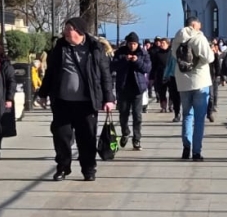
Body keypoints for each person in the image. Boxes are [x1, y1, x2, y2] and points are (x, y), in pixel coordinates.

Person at [37, 17, 115, 182]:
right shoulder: (60, 47)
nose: (65, 32)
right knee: (61, 137)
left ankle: (88, 169)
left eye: (69, 29)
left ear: (79, 31)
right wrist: (43, 93)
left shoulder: (95, 48)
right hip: (62, 102)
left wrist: (109, 98)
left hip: (87, 103)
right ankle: (63, 167)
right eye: (65, 28)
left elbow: (105, 75)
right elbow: (51, 72)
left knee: (87, 138)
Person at [171, 16, 214, 162]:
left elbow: (173, 55)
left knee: (187, 115)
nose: (200, 27)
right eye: (199, 24)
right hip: (199, 81)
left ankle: (186, 148)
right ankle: (196, 151)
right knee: (199, 118)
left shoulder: (176, 39)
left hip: (182, 81)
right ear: (194, 24)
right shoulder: (199, 38)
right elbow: (209, 58)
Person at [111, 32, 151, 151]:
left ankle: (137, 138)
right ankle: (125, 132)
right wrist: (125, 59)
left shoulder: (143, 53)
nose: (132, 46)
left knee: (137, 115)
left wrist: (136, 61)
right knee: (123, 114)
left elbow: (147, 68)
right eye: (130, 44)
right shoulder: (120, 52)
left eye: (134, 44)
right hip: (123, 88)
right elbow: (113, 66)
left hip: (137, 89)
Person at [149, 38, 171, 113]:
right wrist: (151, 76)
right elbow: (154, 66)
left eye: (163, 43)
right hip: (160, 75)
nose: (161, 45)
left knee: (172, 92)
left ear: (168, 44)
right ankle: (163, 107)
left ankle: (171, 106)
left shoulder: (171, 53)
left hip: (170, 76)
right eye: (161, 43)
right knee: (162, 92)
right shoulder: (157, 53)